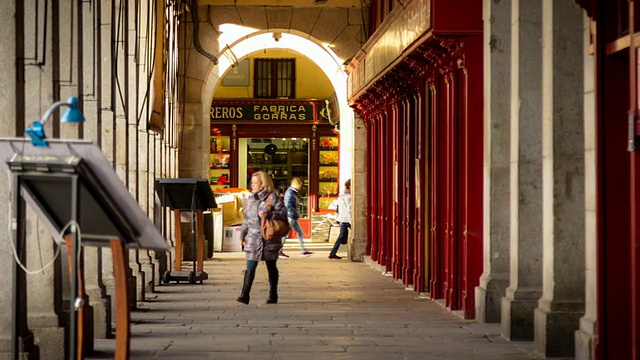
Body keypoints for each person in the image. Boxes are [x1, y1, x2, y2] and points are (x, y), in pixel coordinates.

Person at [237, 171, 288, 305]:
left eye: (255, 183)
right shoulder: (251, 199)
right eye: (252, 183)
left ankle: (273, 294)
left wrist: (270, 214)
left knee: (271, 266)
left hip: (269, 237)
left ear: (263, 184)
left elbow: (283, 214)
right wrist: (242, 235)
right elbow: (247, 219)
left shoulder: (273, 198)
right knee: (250, 266)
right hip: (253, 237)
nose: (252, 185)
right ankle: (245, 294)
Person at [283, 177, 313, 257]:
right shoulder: (290, 192)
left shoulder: (292, 192)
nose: (300, 187)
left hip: (293, 215)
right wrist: (293, 213)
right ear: (296, 184)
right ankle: (279, 251)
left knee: (300, 232)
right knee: (285, 234)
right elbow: (288, 204)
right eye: (300, 185)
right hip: (290, 216)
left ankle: (303, 250)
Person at [329, 179, 351, 259]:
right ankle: (333, 253)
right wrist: (351, 219)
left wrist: (338, 218)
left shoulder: (340, 196)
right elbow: (349, 209)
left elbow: (337, 208)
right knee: (357, 236)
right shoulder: (349, 197)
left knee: (340, 236)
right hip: (348, 219)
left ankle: (333, 252)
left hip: (342, 218)